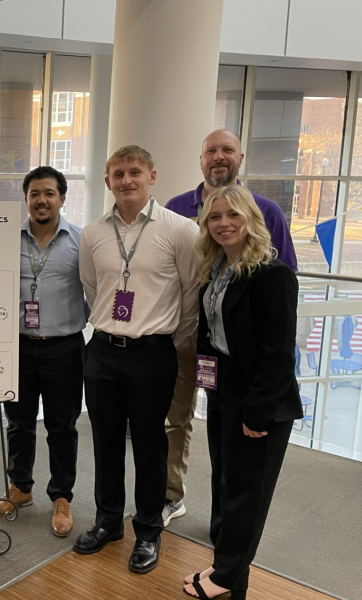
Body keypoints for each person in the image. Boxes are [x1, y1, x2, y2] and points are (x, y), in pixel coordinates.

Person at [161, 129, 298, 529]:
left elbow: (279, 290)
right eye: (210, 151)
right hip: (201, 352)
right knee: (198, 434)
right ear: (200, 159)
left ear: (241, 157)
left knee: (244, 459)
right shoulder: (175, 209)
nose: (218, 157)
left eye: (227, 151)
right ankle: (184, 503)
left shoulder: (268, 210)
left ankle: (230, 545)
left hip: (249, 363)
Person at [75, 145, 200, 575]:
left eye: (135, 172)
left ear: (152, 177)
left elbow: (190, 296)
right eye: (118, 174)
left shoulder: (180, 230)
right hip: (104, 352)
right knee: (106, 442)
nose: (126, 181)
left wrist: (166, 340)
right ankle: (108, 520)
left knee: (150, 445)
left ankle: (147, 530)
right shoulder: (92, 233)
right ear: (108, 181)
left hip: (153, 354)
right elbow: (93, 288)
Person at [184, 185, 302, 600]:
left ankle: (228, 577)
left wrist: (257, 413)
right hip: (225, 391)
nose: (223, 224)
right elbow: (212, 334)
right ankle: (226, 569)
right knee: (227, 484)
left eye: (232, 215)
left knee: (248, 494)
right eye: (214, 217)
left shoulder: (273, 276)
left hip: (260, 401)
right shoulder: (214, 271)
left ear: (251, 219)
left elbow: (278, 355)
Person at [0, 166, 86, 538]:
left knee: (62, 427)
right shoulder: (5, 239)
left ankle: (61, 496)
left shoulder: (80, 240)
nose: (41, 200)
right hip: (16, 346)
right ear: (26, 199)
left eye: (48, 193)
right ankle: (21, 488)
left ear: (62, 198)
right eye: (34, 194)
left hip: (64, 348)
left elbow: (97, 288)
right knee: (19, 423)